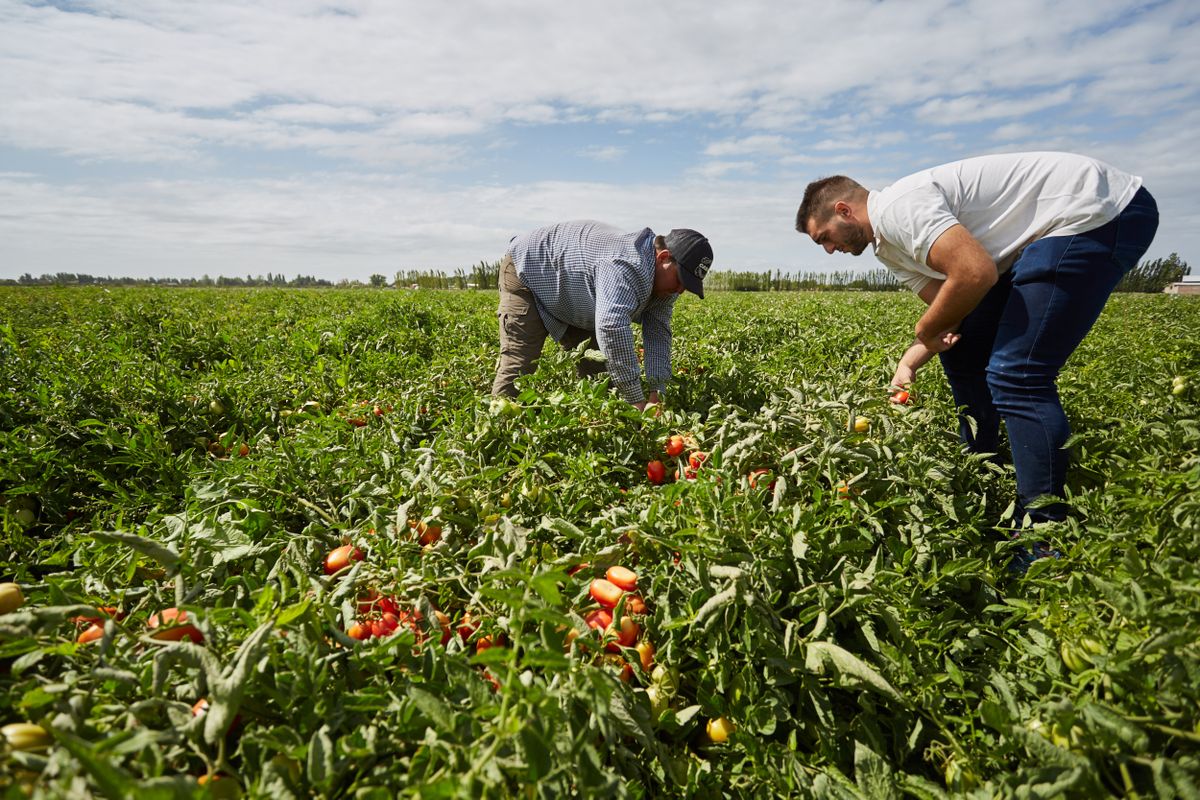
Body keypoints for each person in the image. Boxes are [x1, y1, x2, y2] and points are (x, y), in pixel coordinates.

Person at [794, 151, 1159, 566]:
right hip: (1051, 232)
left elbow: (974, 273)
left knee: (1017, 375)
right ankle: (982, 464)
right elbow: (955, 315)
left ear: (844, 210)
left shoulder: (898, 209)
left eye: (824, 237)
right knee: (965, 351)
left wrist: (923, 331)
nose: (828, 249)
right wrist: (909, 361)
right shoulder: (888, 250)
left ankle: (1042, 536)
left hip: (1092, 210)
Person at [491, 220, 713, 408]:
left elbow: (658, 333)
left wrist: (657, 394)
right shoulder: (626, 264)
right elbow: (611, 326)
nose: (680, 290)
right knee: (520, 366)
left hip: (573, 289)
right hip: (529, 270)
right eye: (680, 279)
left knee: (600, 376)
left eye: (687, 285)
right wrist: (635, 400)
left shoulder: (666, 288)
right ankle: (500, 432)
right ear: (663, 258)